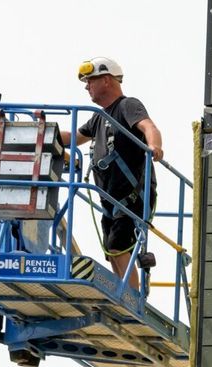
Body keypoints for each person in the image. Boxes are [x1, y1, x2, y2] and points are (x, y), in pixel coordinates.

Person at [65, 57, 164, 283]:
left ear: (107, 80)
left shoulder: (127, 106)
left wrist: (155, 147)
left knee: (118, 246)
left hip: (133, 197)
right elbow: (72, 138)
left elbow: (149, 126)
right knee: (112, 252)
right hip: (110, 200)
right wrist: (42, 134)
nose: (86, 86)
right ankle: (126, 295)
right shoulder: (98, 117)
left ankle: (131, 299)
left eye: (90, 81)